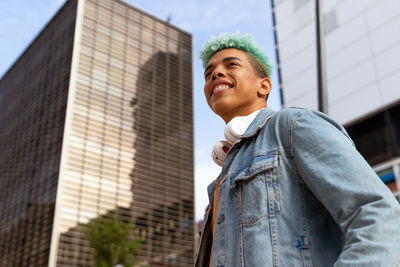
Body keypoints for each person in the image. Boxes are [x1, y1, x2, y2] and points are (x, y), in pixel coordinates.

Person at [194, 32, 400, 267]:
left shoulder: (293, 125)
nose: (216, 74)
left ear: (264, 85)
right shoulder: (220, 185)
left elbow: (380, 218)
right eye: (208, 74)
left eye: (231, 65)